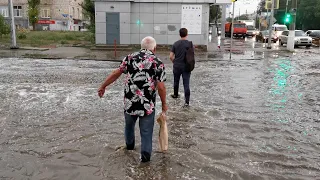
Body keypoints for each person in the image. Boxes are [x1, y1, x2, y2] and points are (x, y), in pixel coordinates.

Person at [98, 36, 167, 163]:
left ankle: (129, 148)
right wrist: (164, 106)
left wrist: (103, 86)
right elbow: (161, 88)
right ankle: (145, 162)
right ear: (154, 48)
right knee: (146, 132)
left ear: (141, 47)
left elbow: (115, 73)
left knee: (129, 127)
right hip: (147, 105)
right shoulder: (158, 62)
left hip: (130, 102)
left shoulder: (129, 58)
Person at [169, 28, 194, 107]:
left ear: (179, 34)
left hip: (177, 66)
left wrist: (174, 62)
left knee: (176, 81)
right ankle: (187, 102)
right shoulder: (190, 44)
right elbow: (192, 56)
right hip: (186, 66)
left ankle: (175, 95)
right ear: (187, 34)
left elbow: (171, 56)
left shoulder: (175, 44)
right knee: (186, 84)